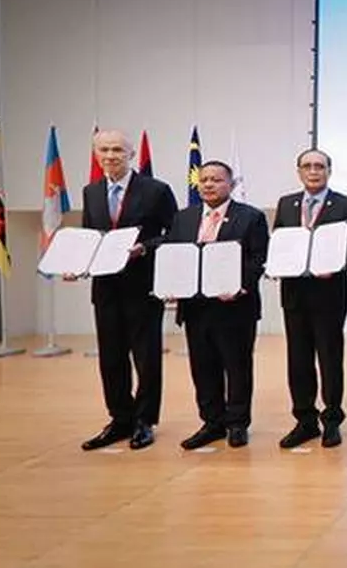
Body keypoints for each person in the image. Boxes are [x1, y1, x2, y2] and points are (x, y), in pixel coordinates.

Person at [78, 129, 177, 451]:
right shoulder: (91, 192)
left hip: (143, 285)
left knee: (146, 357)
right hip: (105, 288)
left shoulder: (156, 190)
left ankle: (144, 421)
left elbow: (175, 234)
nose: (110, 156)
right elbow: (89, 236)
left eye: (118, 150)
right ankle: (119, 418)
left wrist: (144, 248)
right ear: (96, 155)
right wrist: (78, 263)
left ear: (131, 154)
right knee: (110, 357)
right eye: (104, 150)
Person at [168, 160, 269, 450]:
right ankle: (212, 422)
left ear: (231, 185)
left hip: (234, 307)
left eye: (216, 180)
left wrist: (239, 286)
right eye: (204, 180)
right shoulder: (184, 218)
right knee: (203, 367)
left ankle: (237, 423)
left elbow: (258, 258)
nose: (209, 185)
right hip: (196, 307)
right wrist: (171, 285)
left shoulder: (250, 217)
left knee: (237, 367)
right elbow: (174, 255)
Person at [274, 149, 347, 449]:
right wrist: (276, 266)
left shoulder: (345, 204)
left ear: (329, 171)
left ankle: (332, 420)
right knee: (298, 360)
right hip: (295, 294)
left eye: (320, 166)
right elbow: (279, 243)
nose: (313, 171)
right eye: (307, 166)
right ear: (298, 171)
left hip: (329, 295)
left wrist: (337, 266)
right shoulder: (287, 204)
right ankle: (304, 420)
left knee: (330, 357)